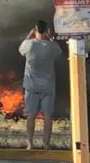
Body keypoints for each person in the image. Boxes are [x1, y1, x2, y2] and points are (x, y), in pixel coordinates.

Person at [19, 20, 62, 150]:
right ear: (46, 31)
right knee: (47, 116)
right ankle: (46, 144)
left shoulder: (29, 44)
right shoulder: (51, 46)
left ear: (35, 30)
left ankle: (30, 143)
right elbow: (59, 52)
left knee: (31, 115)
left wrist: (29, 35)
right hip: (48, 87)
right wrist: (50, 38)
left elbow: (20, 49)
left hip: (31, 87)